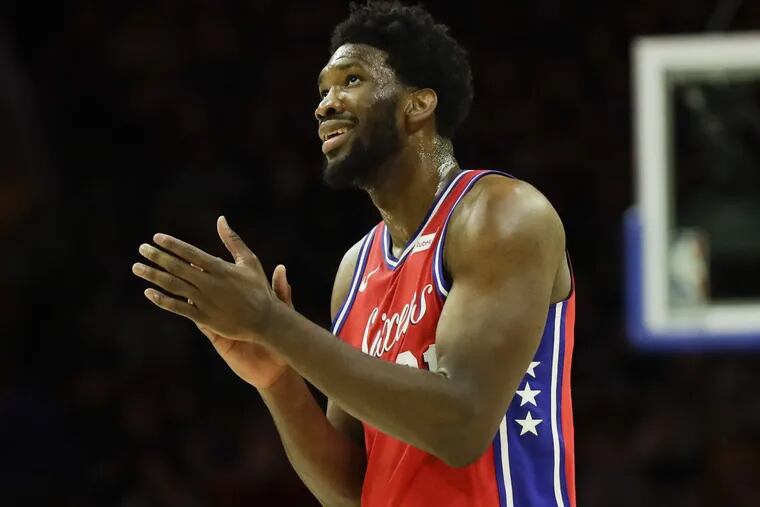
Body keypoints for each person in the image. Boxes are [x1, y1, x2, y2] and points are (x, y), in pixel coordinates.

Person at [131, 2, 576, 505]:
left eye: (351, 80)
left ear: (418, 105)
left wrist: (270, 322)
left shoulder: (500, 215)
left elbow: (461, 426)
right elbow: (351, 492)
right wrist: (278, 380)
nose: (325, 105)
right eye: (322, 90)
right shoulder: (357, 269)